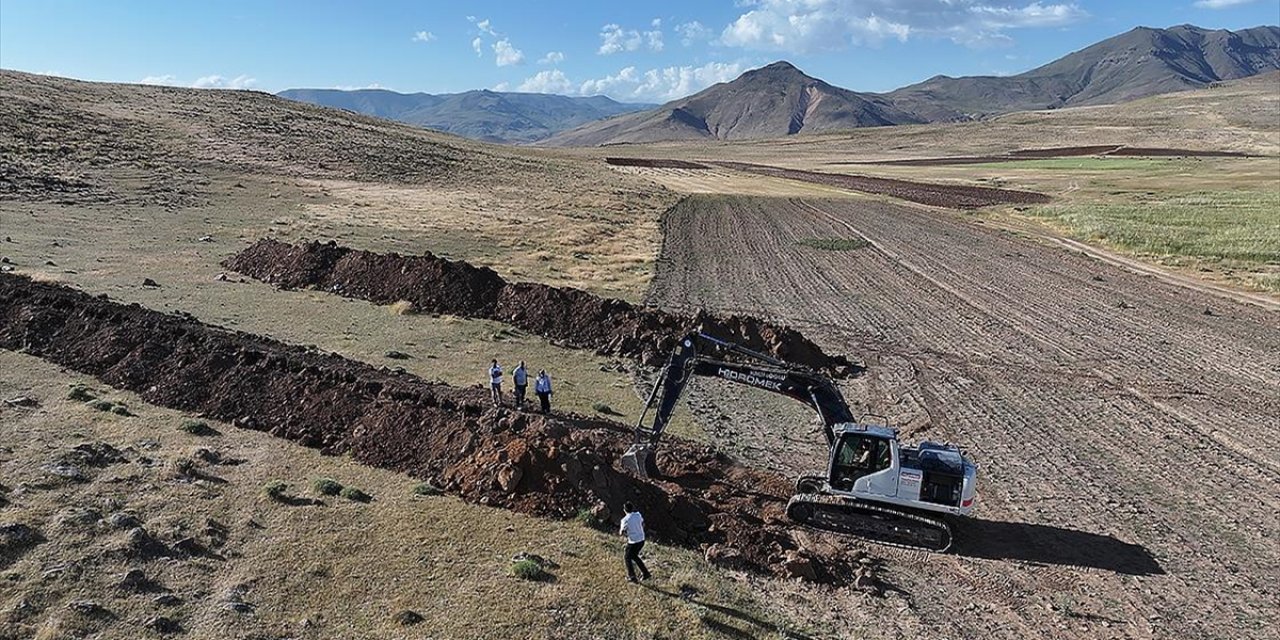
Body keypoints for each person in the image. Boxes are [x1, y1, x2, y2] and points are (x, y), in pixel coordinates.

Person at [619, 502, 651, 583]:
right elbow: (643, 523)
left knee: (627, 557)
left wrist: (627, 533)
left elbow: (621, 532)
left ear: (624, 510)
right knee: (634, 556)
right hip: (641, 539)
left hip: (633, 541)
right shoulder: (638, 515)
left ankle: (632, 576)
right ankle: (645, 573)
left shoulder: (625, 520)